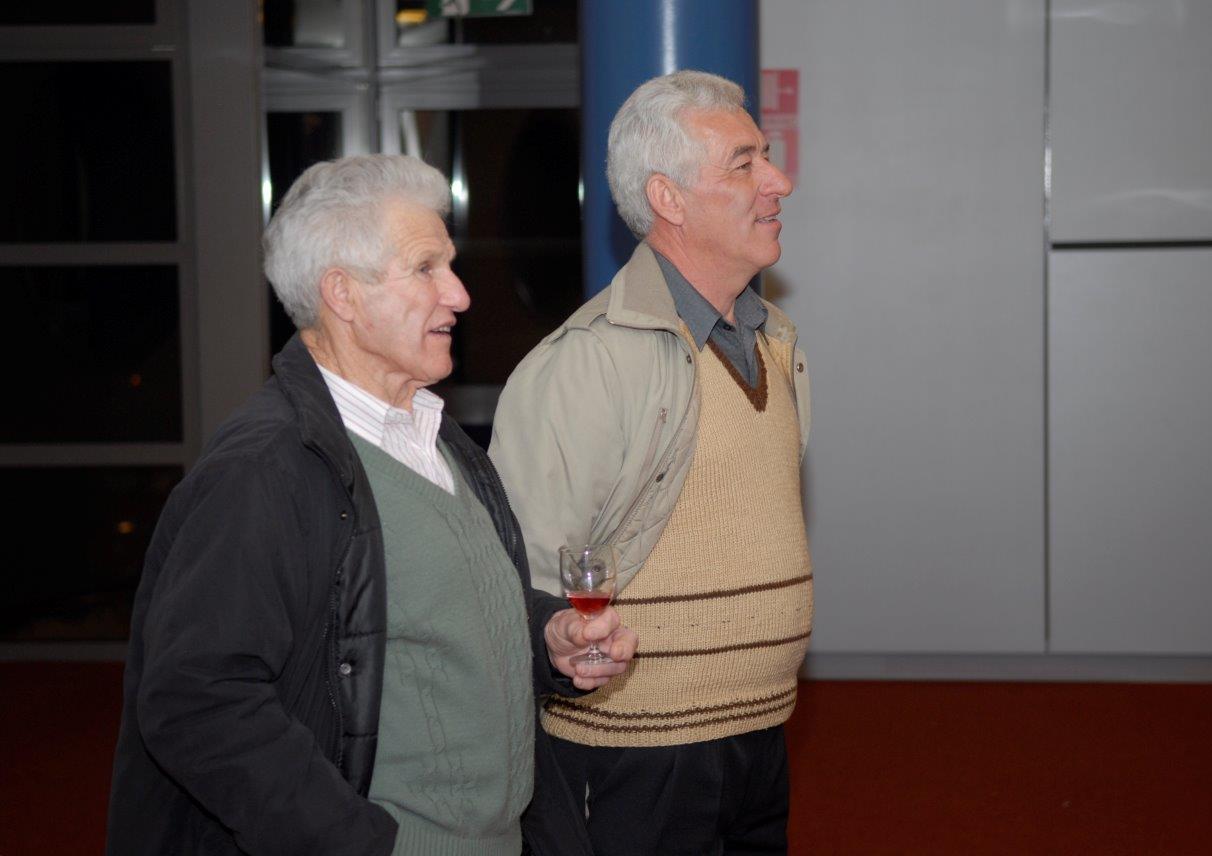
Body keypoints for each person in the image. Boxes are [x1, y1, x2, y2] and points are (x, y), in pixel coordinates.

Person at [105, 154, 636, 856]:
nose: (459, 295)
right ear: (343, 295)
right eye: (425, 269)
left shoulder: (435, 438)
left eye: (450, 267)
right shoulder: (265, 470)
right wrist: (354, 842)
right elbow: (198, 700)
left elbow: (430, 608)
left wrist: (546, 637)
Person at [489, 70, 813, 854]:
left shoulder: (776, 340)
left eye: (767, 157)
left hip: (760, 732)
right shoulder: (587, 361)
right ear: (668, 198)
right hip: (635, 750)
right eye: (744, 164)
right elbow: (511, 574)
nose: (779, 182)